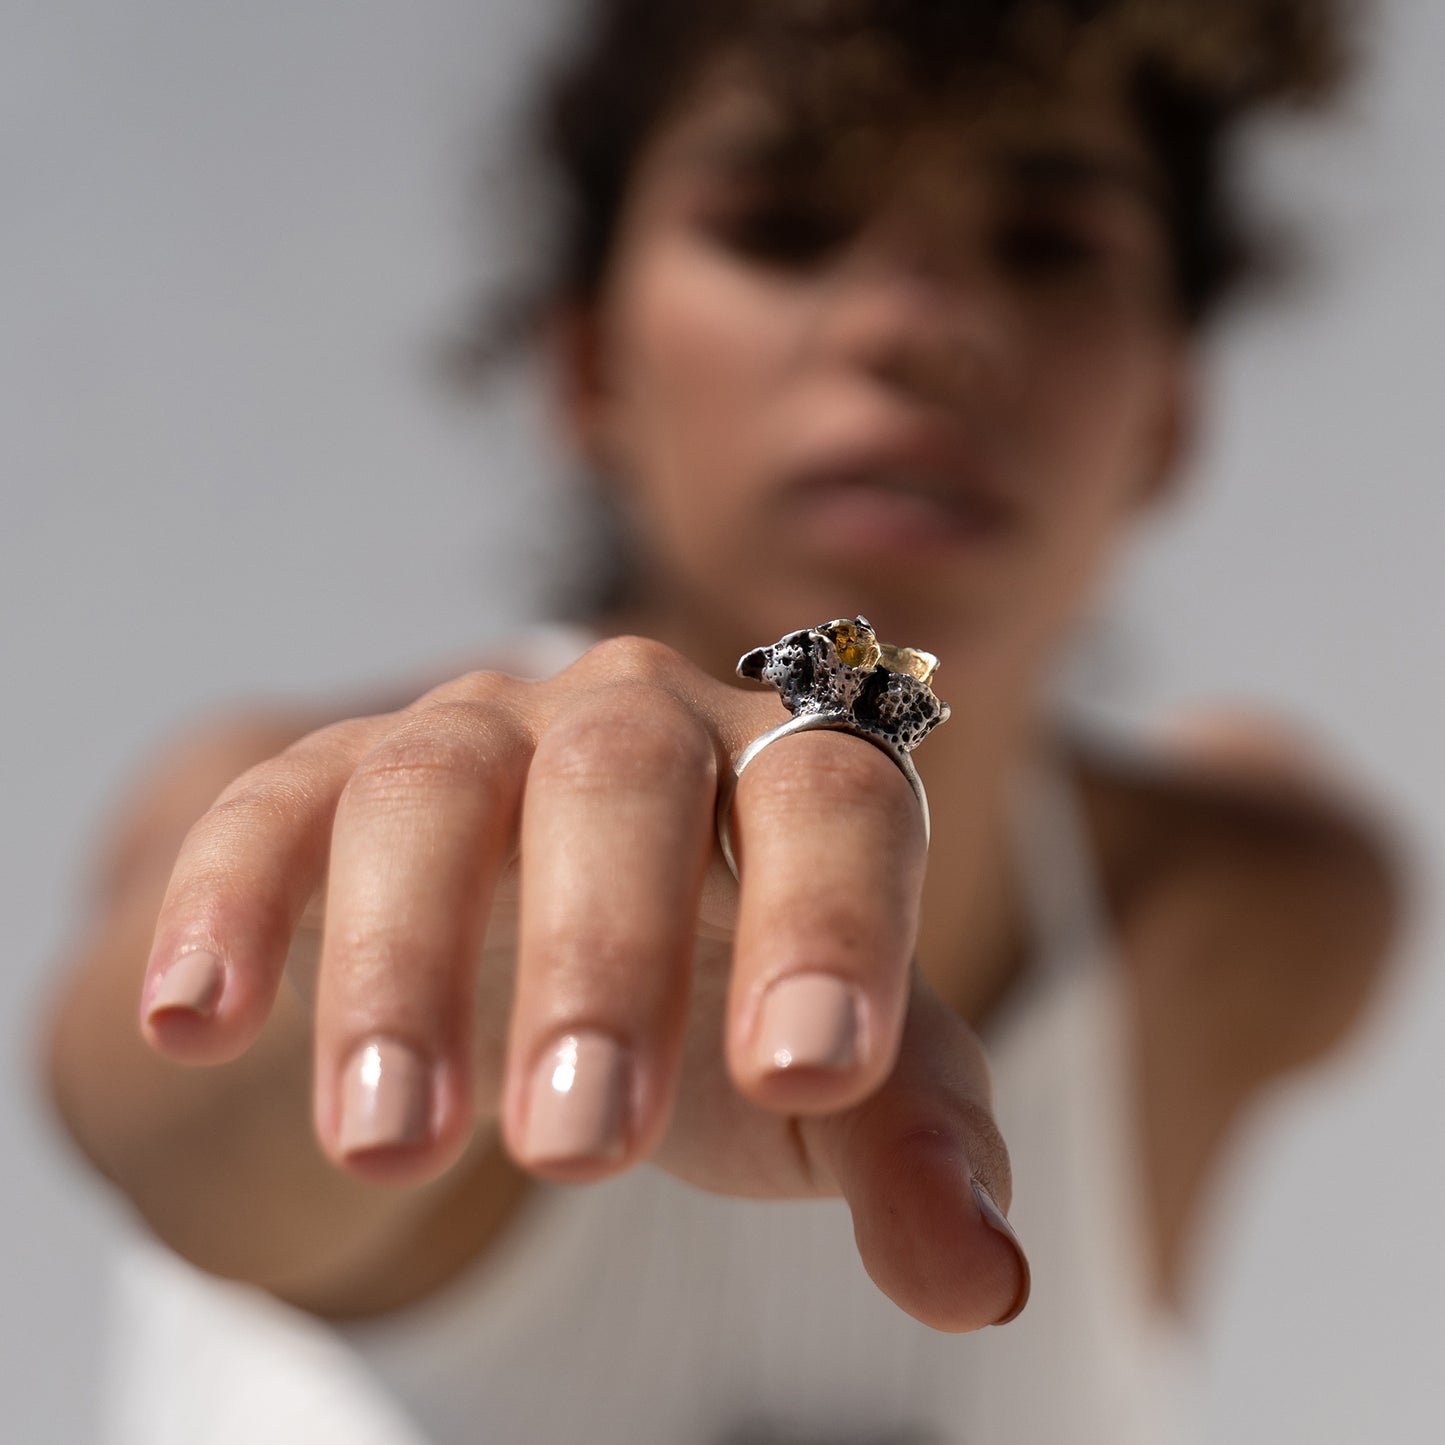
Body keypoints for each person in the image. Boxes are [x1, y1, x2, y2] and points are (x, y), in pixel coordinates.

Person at [42, 0, 1403, 1441]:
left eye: (1045, 246)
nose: (915, 328)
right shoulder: (299, 792)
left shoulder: (1235, 913)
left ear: (1167, 421)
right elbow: (149, 1109)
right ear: (587, 366)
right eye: (785, 224)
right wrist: (379, 976)